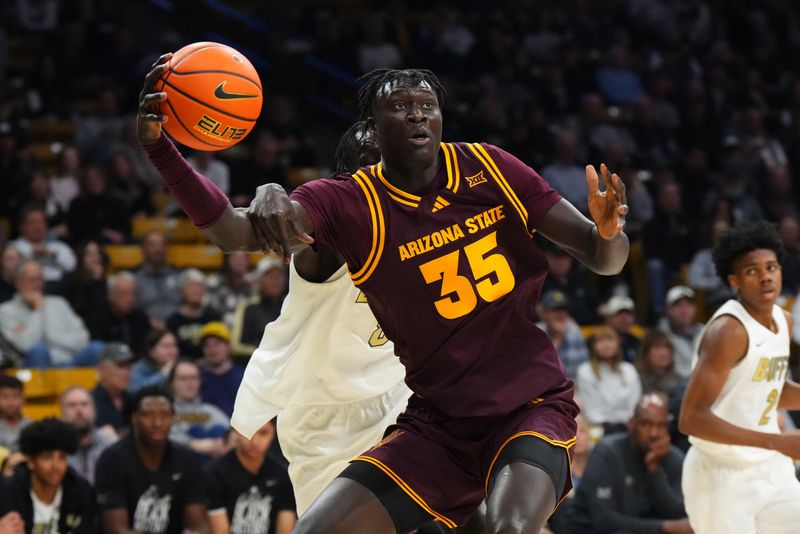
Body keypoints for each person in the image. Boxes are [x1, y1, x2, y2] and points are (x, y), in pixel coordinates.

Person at [139, 64, 629, 532]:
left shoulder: (487, 167)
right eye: (400, 106)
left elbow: (602, 255)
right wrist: (168, 151)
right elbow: (236, 231)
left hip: (510, 400)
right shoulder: (345, 208)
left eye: (427, 103)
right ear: (371, 132)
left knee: (506, 526)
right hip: (403, 418)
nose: (417, 113)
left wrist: (609, 235)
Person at [679, 220, 800, 534]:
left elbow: (766, 387)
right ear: (734, 281)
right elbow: (691, 418)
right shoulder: (728, 331)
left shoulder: (783, 319)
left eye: (771, 267)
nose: (765, 277)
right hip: (722, 474)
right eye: (752, 271)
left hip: (768, 467)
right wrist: (778, 441)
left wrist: (775, 446)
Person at [570, 394, 691, 533]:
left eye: (661, 426)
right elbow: (604, 521)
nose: (654, 433)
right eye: (646, 424)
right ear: (632, 424)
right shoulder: (608, 453)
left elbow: (679, 518)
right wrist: (664, 527)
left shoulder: (674, 457)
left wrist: (655, 471)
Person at [95, 385, 208, 534]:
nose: (157, 423)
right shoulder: (112, 459)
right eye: (148, 415)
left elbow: (200, 526)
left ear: (173, 418)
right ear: (134, 418)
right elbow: (115, 529)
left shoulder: (187, 459)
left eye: (165, 415)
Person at [0, 418, 98, 534]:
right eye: (47, 457)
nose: (56, 466)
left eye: (62, 457)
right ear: (31, 462)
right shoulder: (6, 493)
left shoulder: (81, 491)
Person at [0, 259, 99, 367]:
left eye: (40, 279)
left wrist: (51, 337)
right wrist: (38, 309)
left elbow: (83, 339)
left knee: (96, 348)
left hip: (69, 362)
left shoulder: (59, 303)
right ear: (18, 282)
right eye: (32, 280)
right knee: (39, 350)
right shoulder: (5, 311)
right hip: (34, 365)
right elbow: (27, 346)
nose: (38, 284)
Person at [205, 423, 297, 534]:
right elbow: (220, 531)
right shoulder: (215, 473)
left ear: (274, 432)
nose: (255, 442)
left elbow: (285, 530)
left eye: (263, 433)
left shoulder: (283, 475)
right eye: (248, 432)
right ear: (235, 430)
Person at [576, 325, 642, 434]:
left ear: (618, 343)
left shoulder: (629, 369)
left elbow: (635, 405)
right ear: (594, 346)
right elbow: (591, 410)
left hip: (628, 427)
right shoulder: (585, 371)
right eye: (601, 341)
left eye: (610, 340)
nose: (606, 345)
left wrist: (628, 423)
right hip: (599, 428)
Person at [168, 358, 229, 459]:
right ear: (172, 383)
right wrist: (192, 444)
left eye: (194, 378)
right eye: (183, 378)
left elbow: (233, 435)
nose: (190, 383)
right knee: (197, 431)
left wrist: (219, 445)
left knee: (218, 429)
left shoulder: (210, 410)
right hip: (180, 460)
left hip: (215, 463)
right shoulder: (166, 411)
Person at [230, 256, 287, 358]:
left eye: (278, 276)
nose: (275, 280)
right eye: (270, 276)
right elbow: (236, 345)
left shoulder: (289, 306)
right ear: (259, 281)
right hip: (254, 364)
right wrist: (268, 354)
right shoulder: (248, 307)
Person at [59, 386, 117, 485]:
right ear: (62, 412)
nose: (79, 410)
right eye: (72, 405)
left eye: (84, 404)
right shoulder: (55, 447)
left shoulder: (110, 444)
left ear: (94, 410)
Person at [86, 270, 151, 354]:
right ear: (111, 296)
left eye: (132, 294)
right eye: (124, 294)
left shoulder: (141, 318)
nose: (130, 299)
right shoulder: (97, 321)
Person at [166, 269, 221, 359]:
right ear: (182, 292)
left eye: (199, 287)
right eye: (192, 287)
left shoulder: (213, 317)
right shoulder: (173, 321)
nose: (196, 291)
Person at [535, 289, 589, 379]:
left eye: (563, 309)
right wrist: (558, 337)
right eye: (555, 310)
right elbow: (540, 368)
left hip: (573, 385)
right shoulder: (537, 331)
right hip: (545, 385)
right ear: (544, 313)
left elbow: (583, 366)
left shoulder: (574, 330)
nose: (560, 314)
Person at [134, 230, 182, 330]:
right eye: (152, 244)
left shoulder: (179, 276)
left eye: (162, 244)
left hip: (176, 329)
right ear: (143, 249)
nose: (158, 249)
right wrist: (147, 322)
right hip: (144, 330)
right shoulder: (134, 278)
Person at [657, 285, 703, 379]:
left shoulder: (707, 331)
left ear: (695, 309)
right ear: (668, 310)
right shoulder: (660, 337)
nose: (684, 310)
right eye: (678, 305)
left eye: (689, 304)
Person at [198, 321, 244, 418]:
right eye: (207, 345)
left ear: (228, 346)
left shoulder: (243, 376)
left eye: (217, 344)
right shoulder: (198, 378)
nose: (212, 349)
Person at [91, 342, 135, 433]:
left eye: (129, 366)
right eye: (121, 366)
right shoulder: (90, 403)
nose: (127, 372)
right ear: (102, 368)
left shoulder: (134, 401)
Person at [635, 330, 682, 397]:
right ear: (646, 353)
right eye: (657, 347)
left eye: (667, 347)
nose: (664, 353)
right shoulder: (635, 378)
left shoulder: (677, 380)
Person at [0, 375, 30, 451]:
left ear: (23, 399)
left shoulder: (32, 427)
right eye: (4, 396)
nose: (10, 402)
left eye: (15, 396)